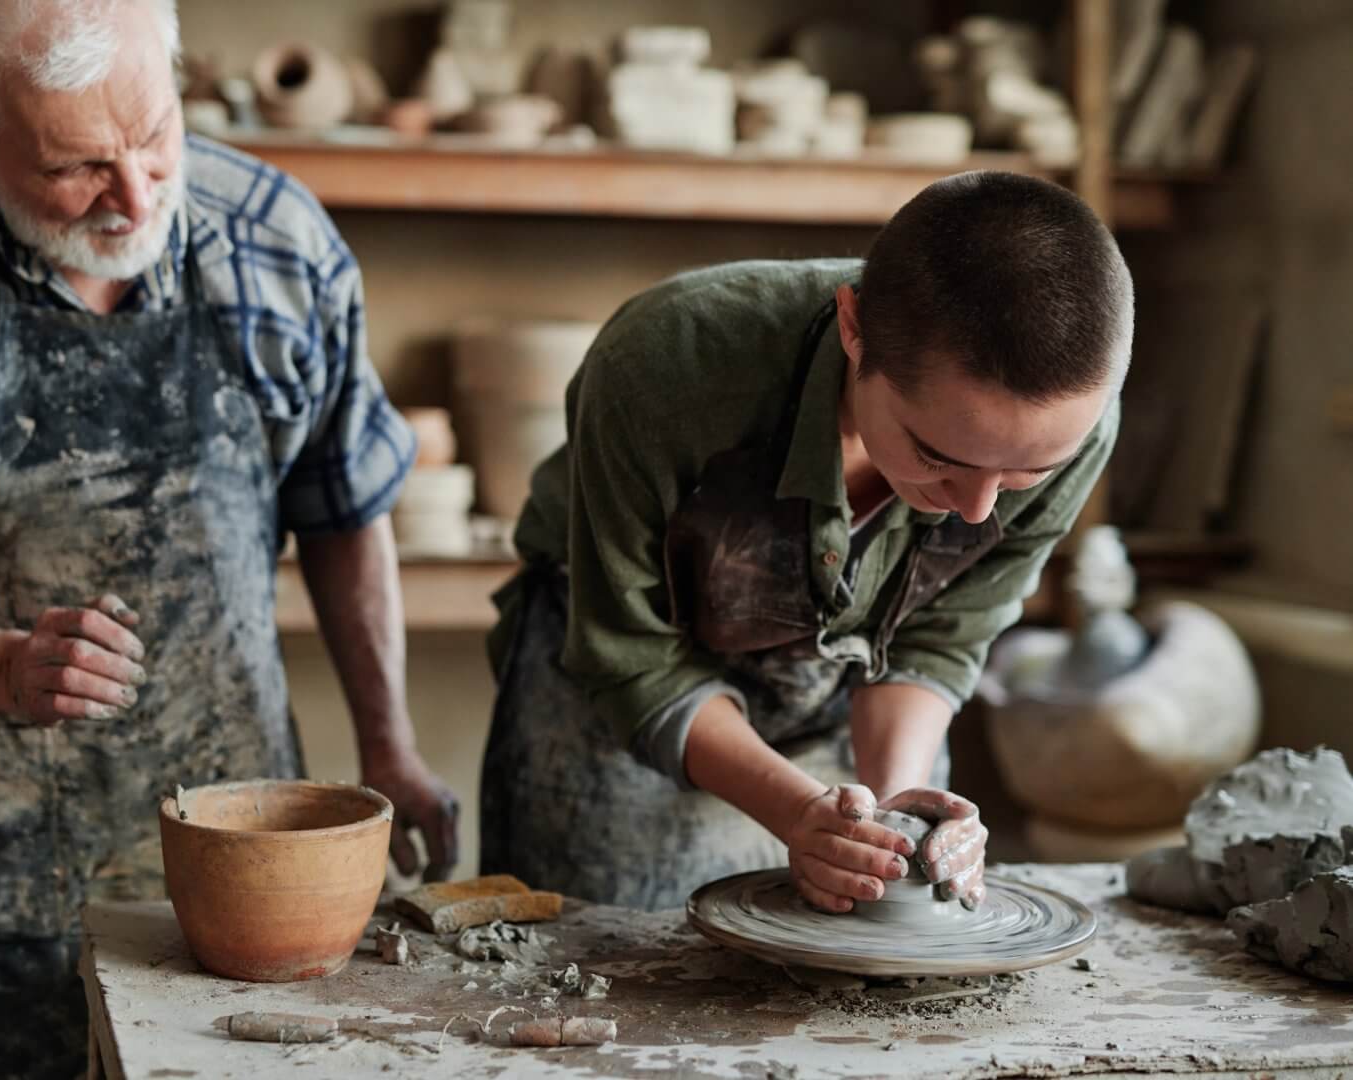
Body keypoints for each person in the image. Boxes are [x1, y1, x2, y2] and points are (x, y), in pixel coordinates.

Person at [0, 1, 459, 1076]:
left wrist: (389, 741)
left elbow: (346, 505)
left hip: (234, 867)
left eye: (156, 134)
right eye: (77, 167)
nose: (135, 195)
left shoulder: (275, 237)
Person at [481, 171, 1131, 914]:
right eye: (937, 457)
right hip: (622, 664)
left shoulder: (1074, 426)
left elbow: (940, 638)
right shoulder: (667, 365)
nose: (978, 508)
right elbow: (630, 656)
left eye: (1024, 474)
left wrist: (888, 815)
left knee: (871, 924)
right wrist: (798, 813)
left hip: (841, 686)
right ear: (853, 330)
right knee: (603, 963)